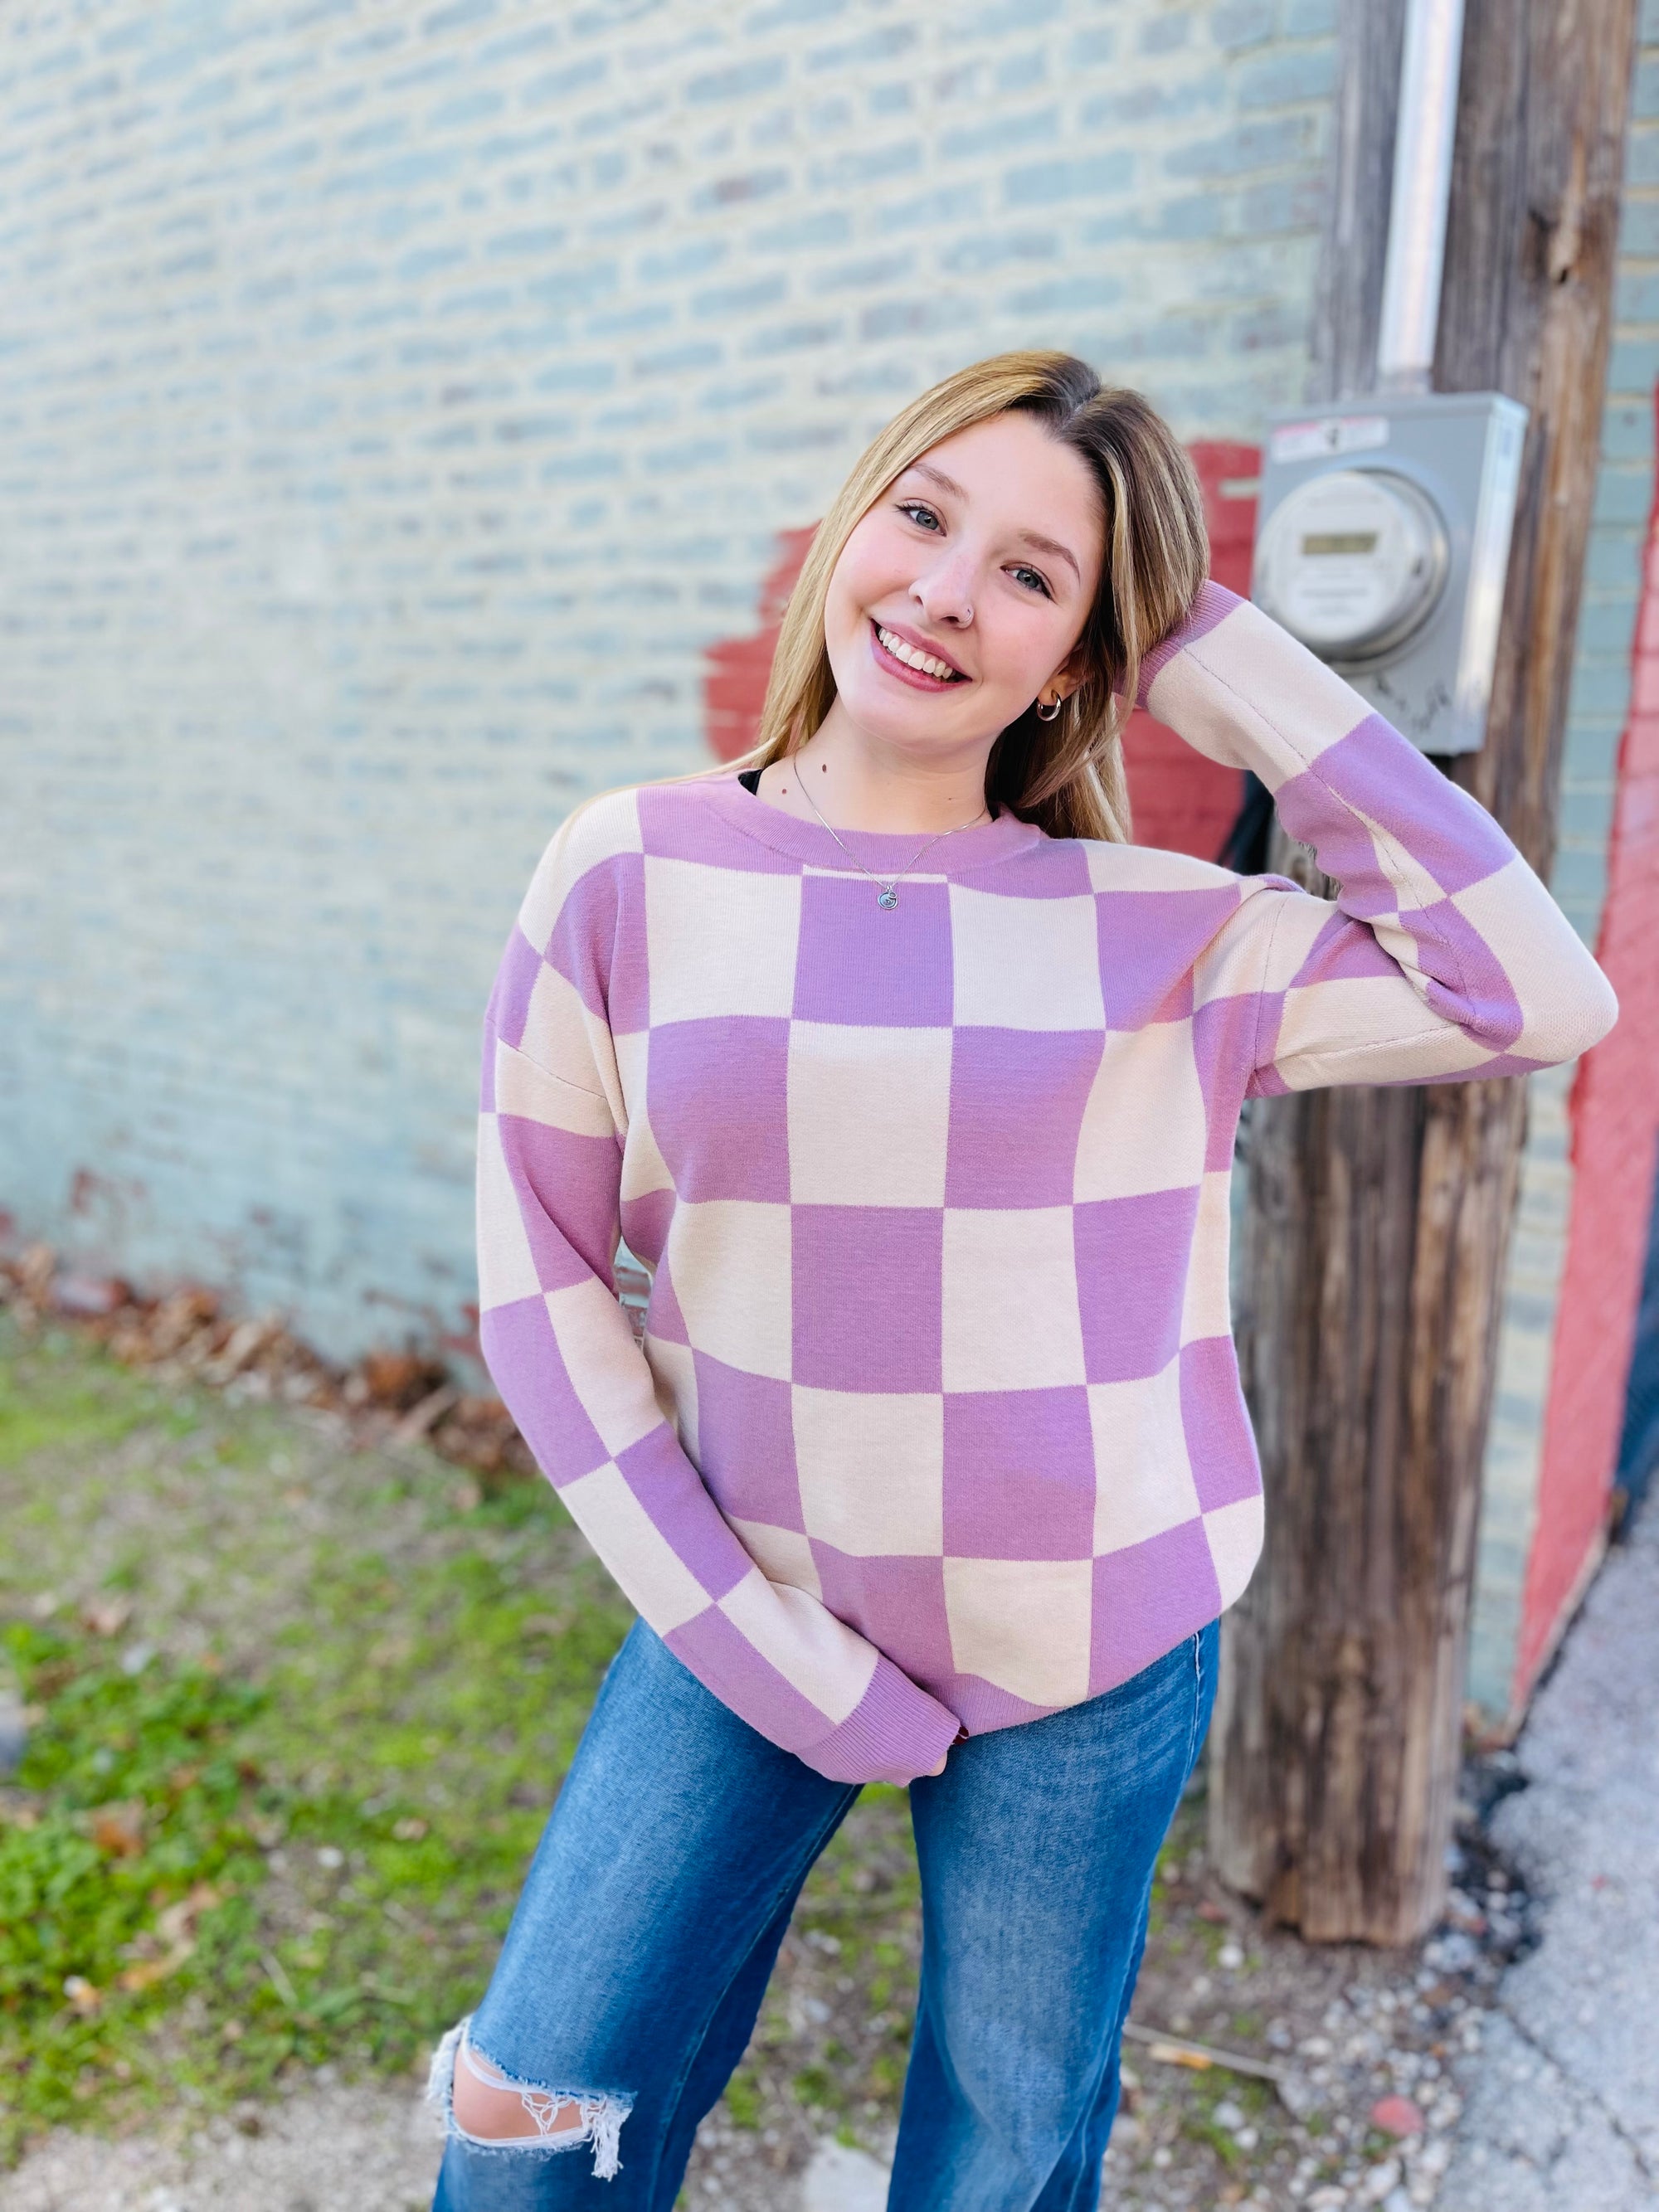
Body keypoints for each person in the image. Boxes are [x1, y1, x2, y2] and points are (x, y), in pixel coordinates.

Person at [428, 352, 1616, 2210]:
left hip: (1094, 1648)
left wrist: (1217, 650)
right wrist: (771, 1650)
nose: (944, 591)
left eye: (1034, 573)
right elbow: (543, 1286)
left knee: (1004, 2147)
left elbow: (1535, 991)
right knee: (530, 2101)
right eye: (922, 514)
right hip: (746, 1611)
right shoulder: (628, 867)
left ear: (1080, 654)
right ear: (855, 518)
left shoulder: (1166, 928)